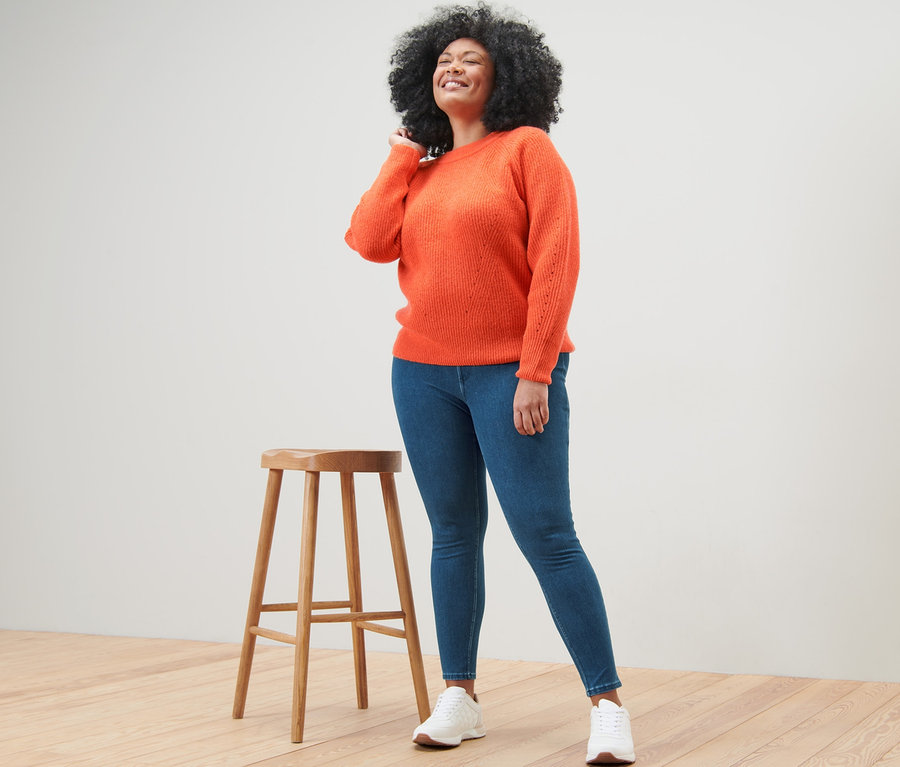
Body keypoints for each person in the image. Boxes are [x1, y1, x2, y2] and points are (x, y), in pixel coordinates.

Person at [344, 4, 635, 764]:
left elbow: (557, 263)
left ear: (505, 73)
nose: (452, 67)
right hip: (423, 372)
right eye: (442, 60)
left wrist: (536, 370)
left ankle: (606, 705)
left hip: (512, 370)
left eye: (469, 58)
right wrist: (402, 155)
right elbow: (368, 241)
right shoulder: (426, 171)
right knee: (451, 532)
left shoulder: (527, 149)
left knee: (545, 533)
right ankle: (460, 695)